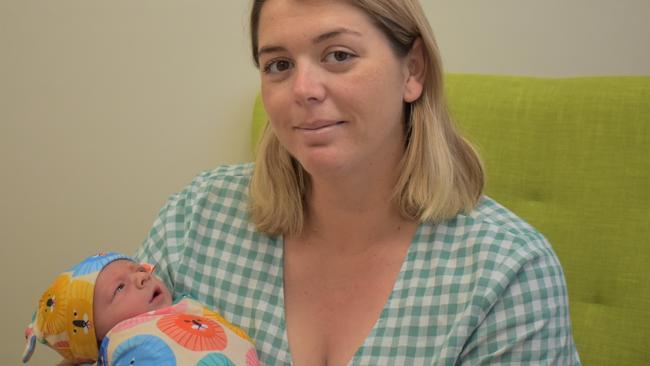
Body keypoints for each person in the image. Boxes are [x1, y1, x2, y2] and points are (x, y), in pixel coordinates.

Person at [135, 0, 581, 364]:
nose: (303, 89)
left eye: (339, 56)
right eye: (279, 65)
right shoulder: (194, 220)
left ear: (413, 71)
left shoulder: (508, 272)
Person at [22, 252, 259, 365]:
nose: (142, 278)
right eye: (120, 288)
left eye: (139, 269)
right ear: (95, 333)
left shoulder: (186, 310)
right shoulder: (124, 347)